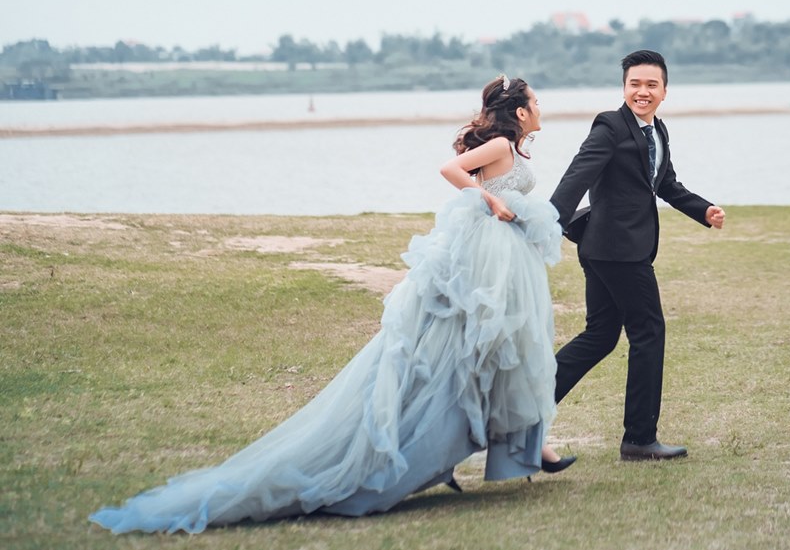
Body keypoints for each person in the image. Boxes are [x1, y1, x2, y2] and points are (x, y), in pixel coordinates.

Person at [90, 75, 574, 535]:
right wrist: (489, 201)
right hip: (486, 258)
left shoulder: (512, 149)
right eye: (535, 102)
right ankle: (463, 448)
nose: (540, 109)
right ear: (519, 111)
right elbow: (451, 170)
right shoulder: (500, 146)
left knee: (499, 349)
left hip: (501, 259)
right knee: (469, 352)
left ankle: (529, 447)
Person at [550, 50, 725, 461]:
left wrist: (703, 210)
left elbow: (665, 184)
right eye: (635, 84)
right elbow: (578, 174)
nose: (642, 92)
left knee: (600, 336)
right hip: (617, 250)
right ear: (624, 87)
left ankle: (522, 406)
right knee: (649, 332)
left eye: (651, 85)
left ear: (664, 91)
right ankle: (639, 438)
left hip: (609, 250)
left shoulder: (657, 130)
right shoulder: (610, 126)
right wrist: (550, 222)